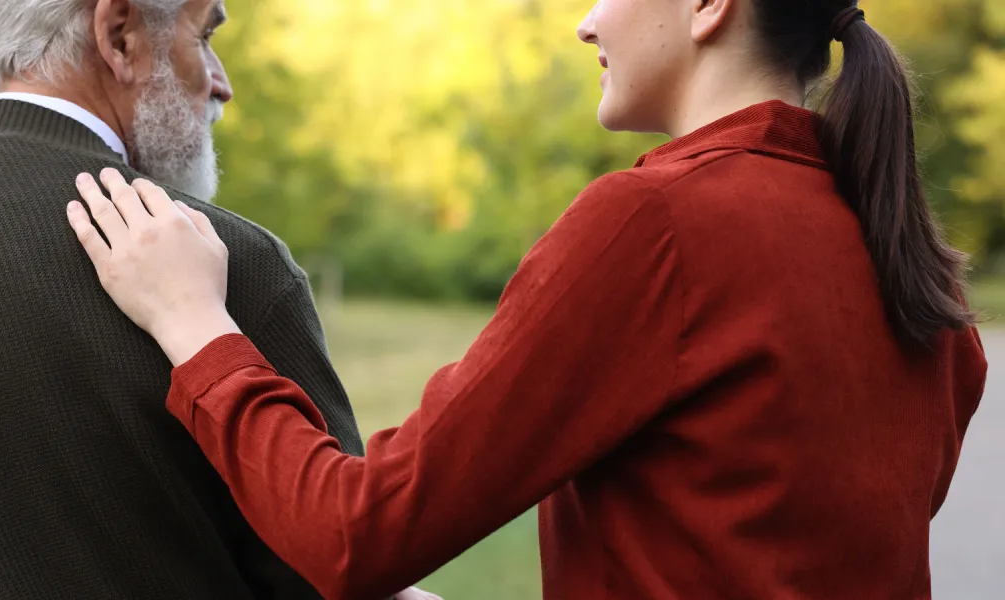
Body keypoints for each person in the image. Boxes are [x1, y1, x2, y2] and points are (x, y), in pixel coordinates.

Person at [66, 0, 991, 599]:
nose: (587, 24)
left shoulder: (658, 225)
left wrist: (196, 325)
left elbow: (354, 534)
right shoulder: (912, 267)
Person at [0, 0, 443, 598]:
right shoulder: (224, 265)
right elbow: (339, 572)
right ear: (119, 36)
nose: (221, 84)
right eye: (204, 35)